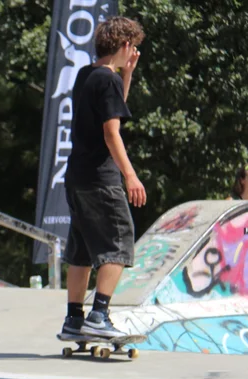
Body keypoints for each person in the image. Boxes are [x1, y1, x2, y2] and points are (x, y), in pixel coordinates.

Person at [59, 17, 146, 341]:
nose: (132, 53)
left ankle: (73, 320)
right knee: (118, 242)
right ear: (125, 46)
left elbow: (114, 108)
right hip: (100, 177)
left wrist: (127, 75)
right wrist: (130, 175)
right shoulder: (105, 80)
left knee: (82, 249)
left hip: (77, 176)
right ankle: (99, 314)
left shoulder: (87, 75)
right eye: (132, 48)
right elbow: (112, 132)